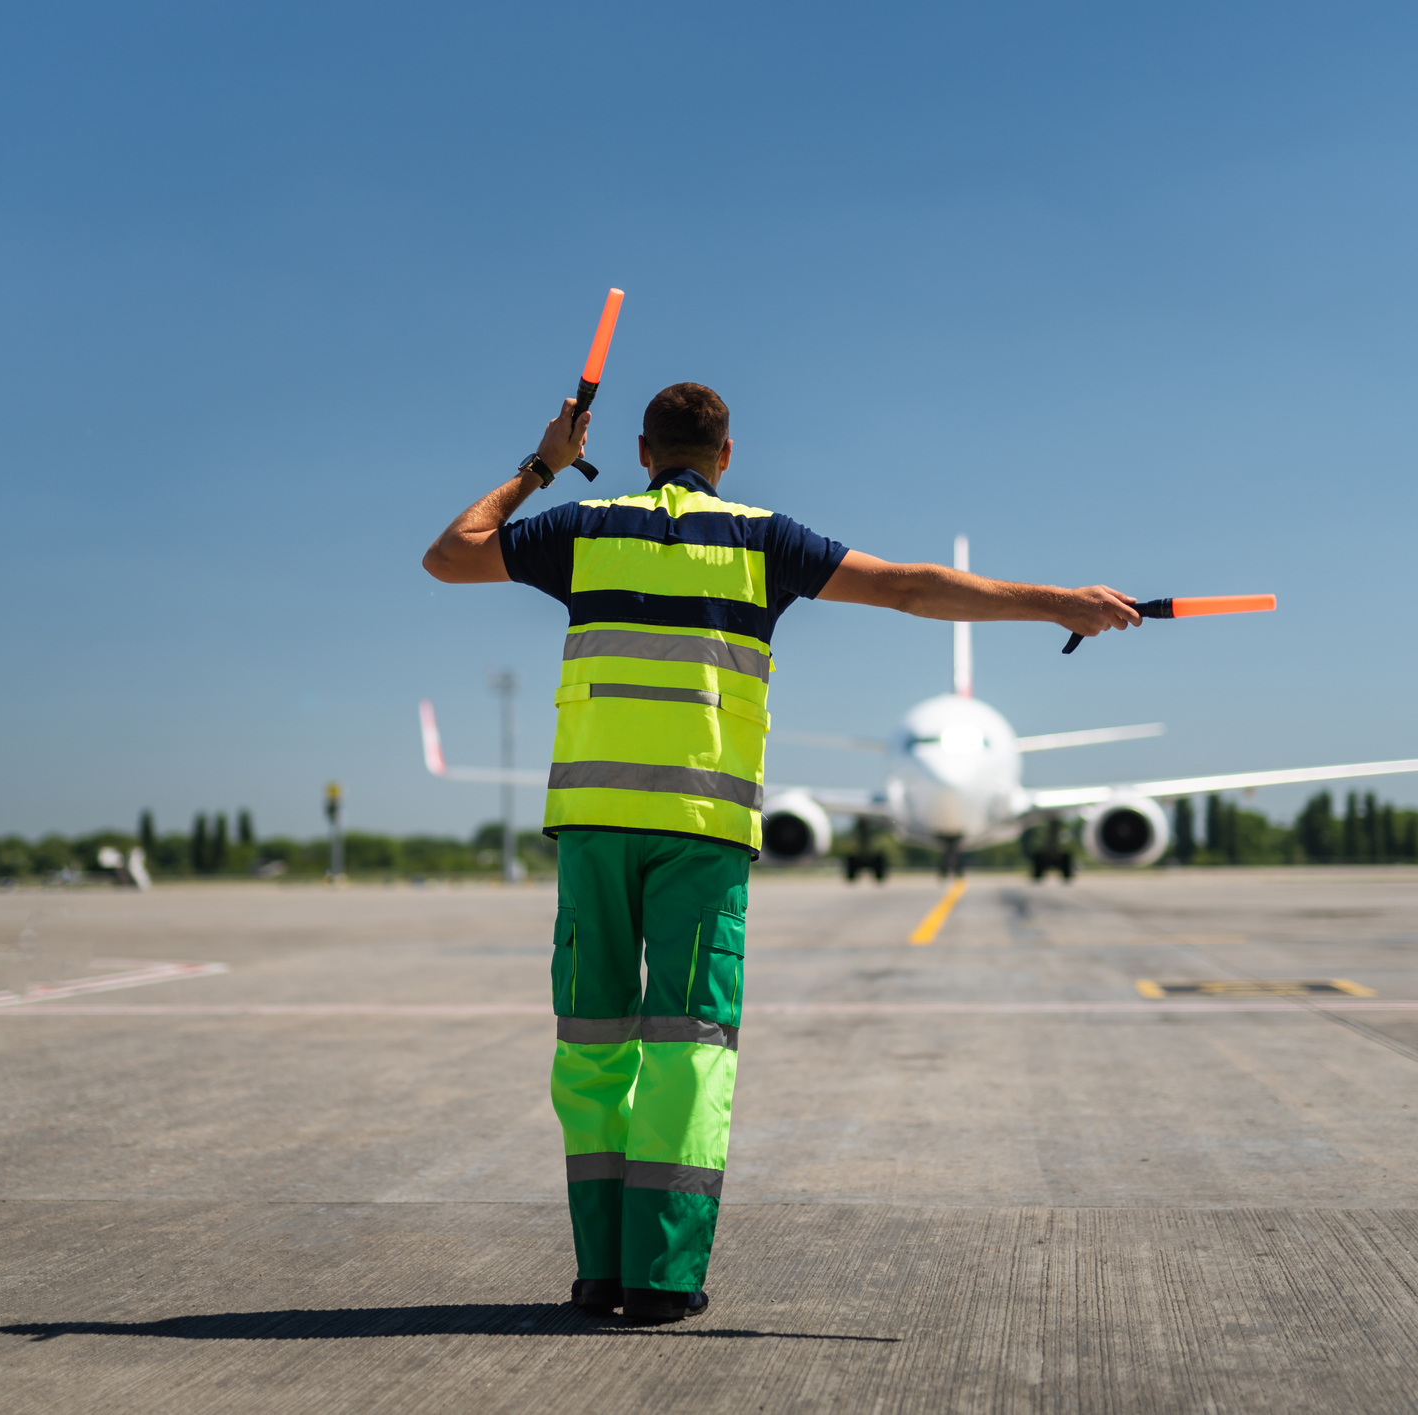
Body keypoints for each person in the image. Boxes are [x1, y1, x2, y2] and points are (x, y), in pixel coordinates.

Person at [421, 382, 1137, 1324]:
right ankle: (662, 1278)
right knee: (687, 1052)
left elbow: (448, 556)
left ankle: (598, 1273)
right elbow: (910, 587)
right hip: (701, 833)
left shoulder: (581, 527)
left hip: (592, 826)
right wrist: (1057, 604)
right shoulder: (761, 539)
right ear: (725, 456)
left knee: (592, 1044)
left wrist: (541, 464)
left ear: (641, 452)